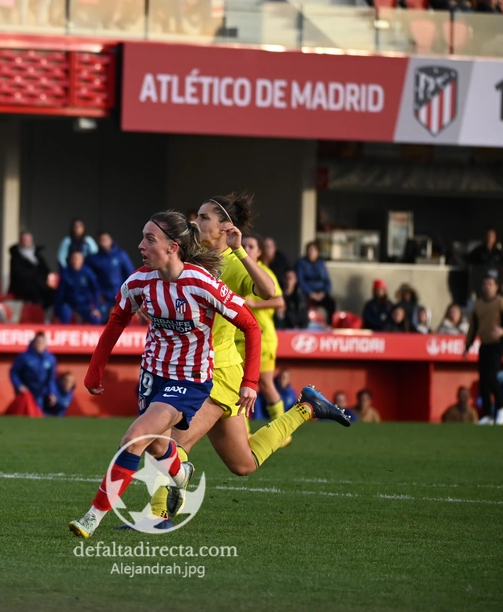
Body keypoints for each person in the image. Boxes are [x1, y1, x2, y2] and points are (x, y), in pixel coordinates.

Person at [138, 199, 350, 524]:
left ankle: (157, 515)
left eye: (205, 217)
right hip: (194, 367)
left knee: (172, 443)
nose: (197, 221)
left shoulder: (233, 263)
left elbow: (269, 291)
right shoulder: (191, 256)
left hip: (217, 373)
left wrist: (239, 251)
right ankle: (308, 408)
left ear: (225, 227)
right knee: (244, 463)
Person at [69, 210, 265, 538]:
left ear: (173, 247)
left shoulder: (201, 283)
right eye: (143, 238)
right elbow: (116, 321)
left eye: (150, 239)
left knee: (135, 438)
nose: (140, 245)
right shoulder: (138, 282)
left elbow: (250, 324)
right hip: (153, 375)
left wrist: (251, 381)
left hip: (190, 379)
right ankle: (180, 471)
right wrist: (94, 371)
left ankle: (93, 516)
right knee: (157, 446)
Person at [235, 235, 287, 425]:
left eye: (251, 246)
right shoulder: (234, 269)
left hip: (263, 338)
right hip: (237, 338)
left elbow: (280, 301)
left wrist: (255, 304)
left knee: (265, 383)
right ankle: (244, 434)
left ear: (259, 252)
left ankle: (283, 430)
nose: (247, 249)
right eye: (244, 245)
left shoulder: (264, 272)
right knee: (236, 387)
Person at [465, 273, 503, 425]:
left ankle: (502, 408)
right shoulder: (478, 305)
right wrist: (467, 345)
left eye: (490, 284)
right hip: (484, 343)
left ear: (496, 287)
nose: (487, 287)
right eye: (484, 284)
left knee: (491, 375)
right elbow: (473, 327)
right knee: (483, 378)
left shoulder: (502, 303)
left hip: (498, 343)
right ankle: (487, 415)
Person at [9, 331, 57, 414]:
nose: (40, 344)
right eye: (38, 342)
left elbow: (51, 379)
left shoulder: (50, 359)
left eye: (42, 342)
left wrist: (52, 392)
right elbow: (14, 372)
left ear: (45, 344)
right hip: (26, 392)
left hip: (41, 393)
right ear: (33, 343)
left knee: (37, 414)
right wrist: (19, 385)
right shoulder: (24, 357)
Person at [86, 232, 134, 311]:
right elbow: (90, 279)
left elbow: (130, 274)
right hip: (103, 297)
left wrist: (128, 293)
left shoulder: (121, 255)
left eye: (105, 239)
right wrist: (97, 294)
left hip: (121, 294)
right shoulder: (94, 259)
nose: (103, 241)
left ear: (111, 240)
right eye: (101, 240)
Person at [54, 250, 102, 325]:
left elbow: (96, 290)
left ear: (82, 260)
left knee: (95, 318)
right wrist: (57, 310)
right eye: (74, 258)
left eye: (78, 258)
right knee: (63, 315)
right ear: (70, 260)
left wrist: (96, 307)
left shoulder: (88, 273)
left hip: (84, 303)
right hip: (69, 303)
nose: (76, 261)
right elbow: (60, 293)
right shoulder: (65, 273)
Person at [8, 231, 53, 307]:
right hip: (22, 285)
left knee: (52, 292)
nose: (26, 242)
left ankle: (41, 311)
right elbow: (19, 273)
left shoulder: (37, 256)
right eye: (24, 239)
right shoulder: (16, 256)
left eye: (28, 240)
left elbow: (46, 270)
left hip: (39, 283)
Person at [296, 241, 336, 321]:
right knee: (302, 303)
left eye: (313, 250)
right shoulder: (301, 263)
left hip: (321, 293)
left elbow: (327, 281)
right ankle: (305, 323)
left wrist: (324, 293)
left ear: (318, 252)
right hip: (307, 293)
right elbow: (301, 281)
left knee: (331, 303)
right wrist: (311, 293)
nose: (311, 253)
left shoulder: (321, 263)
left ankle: (329, 324)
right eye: (309, 250)